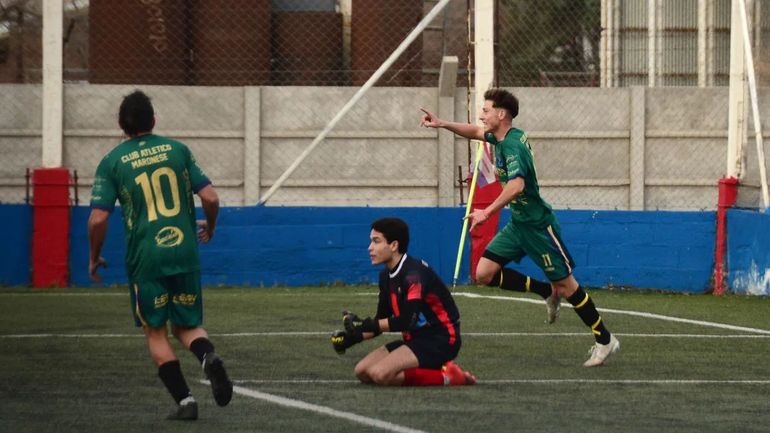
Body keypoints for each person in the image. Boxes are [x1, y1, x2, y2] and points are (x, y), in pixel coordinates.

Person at [419, 88, 620, 367]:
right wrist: (442, 124)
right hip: (519, 225)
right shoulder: (500, 137)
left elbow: (517, 185)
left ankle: (605, 339)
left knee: (567, 286)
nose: (481, 115)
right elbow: (475, 132)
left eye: (486, 110)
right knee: (485, 273)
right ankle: (543, 291)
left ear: (501, 114)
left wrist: (487, 212)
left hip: (538, 227)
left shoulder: (512, 146)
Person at [88, 90, 233, 420]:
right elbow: (210, 197)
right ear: (153, 120)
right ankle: (208, 357)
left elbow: (97, 218)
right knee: (188, 325)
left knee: (155, 332)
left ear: (121, 126)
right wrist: (209, 228)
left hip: (146, 258)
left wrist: (93, 256)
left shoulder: (112, 162)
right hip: (183, 251)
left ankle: (185, 402)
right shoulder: (178, 150)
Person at [331, 217, 475, 386]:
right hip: (415, 339)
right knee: (362, 371)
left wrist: (366, 324)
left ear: (394, 245)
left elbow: (407, 320)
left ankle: (448, 377)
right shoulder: (385, 276)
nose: (370, 248)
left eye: (376, 241)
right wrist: (352, 338)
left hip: (440, 339)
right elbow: (381, 319)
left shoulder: (413, 275)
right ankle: (434, 369)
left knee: (380, 374)